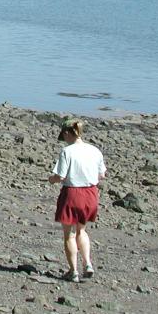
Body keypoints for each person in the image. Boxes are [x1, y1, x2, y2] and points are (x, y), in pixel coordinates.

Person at [48, 117, 106, 282]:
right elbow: (101, 175)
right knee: (82, 230)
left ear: (67, 133)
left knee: (69, 234)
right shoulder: (95, 151)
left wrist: (51, 179)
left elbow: (60, 176)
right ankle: (87, 263)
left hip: (72, 193)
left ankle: (73, 271)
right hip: (91, 194)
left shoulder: (67, 151)